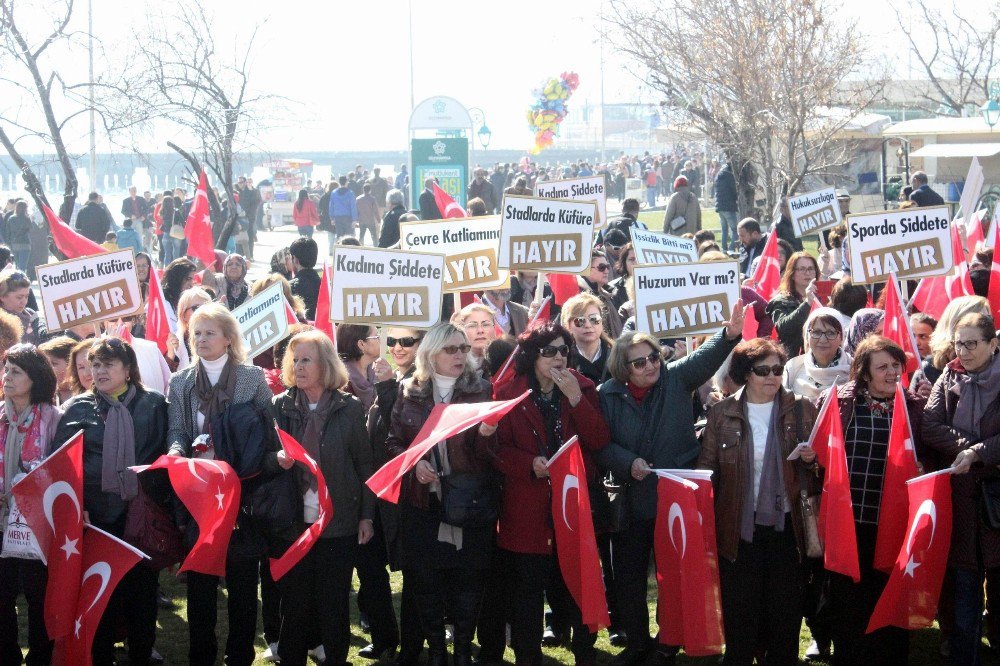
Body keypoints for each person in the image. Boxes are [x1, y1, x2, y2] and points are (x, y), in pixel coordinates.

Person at [596, 302, 746, 665]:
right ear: (622, 368)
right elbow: (600, 444)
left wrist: (729, 334)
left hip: (675, 496)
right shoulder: (606, 395)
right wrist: (625, 461)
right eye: (639, 362)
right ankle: (637, 642)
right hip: (633, 501)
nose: (650, 365)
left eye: (653, 358)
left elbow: (706, 358)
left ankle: (668, 641)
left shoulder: (676, 378)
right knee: (630, 577)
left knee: (673, 573)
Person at [485, 321, 611, 665]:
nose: (558, 357)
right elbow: (497, 450)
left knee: (577, 585)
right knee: (527, 591)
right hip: (526, 507)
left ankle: (585, 651)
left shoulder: (582, 388)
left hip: (573, 506)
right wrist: (530, 464)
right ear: (531, 356)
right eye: (549, 351)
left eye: (563, 351)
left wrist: (575, 399)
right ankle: (528, 655)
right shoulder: (510, 394)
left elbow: (598, 440)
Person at [165, 303, 274, 666]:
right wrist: (179, 453)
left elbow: (266, 431)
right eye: (196, 333)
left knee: (243, 581)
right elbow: (177, 429)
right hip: (199, 495)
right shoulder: (180, 381)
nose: (201, 339)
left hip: (241, 495)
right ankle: (202, 655)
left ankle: (239, 654)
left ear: (229, 339)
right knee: (200, 584)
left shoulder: (252, 377)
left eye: (210, 332)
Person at [698, 337, 818, 664]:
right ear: (745, 373)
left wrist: (812, 459)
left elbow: (824, 468)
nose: (772, 376)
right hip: (739, 529)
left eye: (777, 370)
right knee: (740, 615)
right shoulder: (722, 413)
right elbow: (707, 470)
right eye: (762, 370)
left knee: (784, 615)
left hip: (788, 530)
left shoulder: (803, 408)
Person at [54, 337, 169, 665]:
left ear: (128, 369)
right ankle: (101, 655)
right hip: (96, 518)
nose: (99, 371)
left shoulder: (155, 404)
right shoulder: (77, 407)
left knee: (142, 594)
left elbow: (165, 457)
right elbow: (63, 462)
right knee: (101, 594)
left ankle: (141, 653)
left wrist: (157, 502)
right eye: (95, 364)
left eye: (108, 364)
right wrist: (77, 504)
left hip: (141, 517)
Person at [385, 322, 494, 666]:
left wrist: (488, 435)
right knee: (425, 580)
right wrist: (415, 464)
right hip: (422, 503)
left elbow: (490, 457)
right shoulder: (408, 391)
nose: (460, 355)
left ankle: (461, 652)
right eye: (451, 349)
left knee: (468, 580)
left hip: (467, 503)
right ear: (431, 354)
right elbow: (393, 443)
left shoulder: (482, 390)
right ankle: (436, 653)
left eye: (463, 348)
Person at [816, 336, 925, 664]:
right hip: (850, 522)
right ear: (864, 373)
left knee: (889, 595)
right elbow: (821, 450)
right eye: (883, 367)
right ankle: (850, 654)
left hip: (893, 522)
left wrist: (923, 466)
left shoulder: (913, 406)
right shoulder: (838, 401)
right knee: (849, 600)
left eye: (896, 366)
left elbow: (929, 454)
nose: (892, 372)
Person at [270, 331, 377, 666]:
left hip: (338, 522)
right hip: (293, 524)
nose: (298, 367)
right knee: (295, 603)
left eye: (306, 360)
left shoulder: (350, 408)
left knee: (333, 604)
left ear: (326, 364)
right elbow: (263, 460)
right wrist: (276, 459)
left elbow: (365, 467)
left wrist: (366, 516)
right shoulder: (280, 406)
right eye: (295, 360)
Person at [923, 312, 1000, 665]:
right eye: (958, 343)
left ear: (993, 344)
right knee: (965, 588)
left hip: (996, 499)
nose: (964, 351)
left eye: (972, 344)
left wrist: (978, 453)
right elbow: (931, 425)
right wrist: (970, 447)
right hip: (961, 502)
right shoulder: (949, 375)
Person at [0, 344, 63, 666]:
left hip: (37, 527)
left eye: (15, 371)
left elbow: (63, 472)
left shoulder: (54, 419)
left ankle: (41, 658)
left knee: (39, 599)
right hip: (0, 523)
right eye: (5, 369)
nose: (6, 377)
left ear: (35, 378)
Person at [367, 327, 421, 663]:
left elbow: (398, 429)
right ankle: (385, 638)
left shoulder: (420, 382)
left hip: (405, 492)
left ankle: (413, 646)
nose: (396, 347)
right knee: (370, 566)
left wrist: (387, 386)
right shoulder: (390, 376)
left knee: (413, 572)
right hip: (375, 490)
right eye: (390, 340)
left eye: (405, 341)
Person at [912, 296, 990, 389]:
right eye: (981, 321)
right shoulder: (929, 369)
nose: (988, 326)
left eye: (989, 319)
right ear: (956, 324)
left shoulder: (994, 362)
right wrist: (928, 399)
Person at [782, 308, 852, 401]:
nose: (823, 340)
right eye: (816, 332)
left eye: (831, 333)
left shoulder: (853, 369)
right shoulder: (793, 368)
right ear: (808, 336)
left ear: (841, 337)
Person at [765, 251, 820, 357]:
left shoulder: (821, 297)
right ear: (792, 274)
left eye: (810, 269)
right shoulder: (781, 301)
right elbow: (784, 328)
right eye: (802, 269)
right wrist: (807, 303)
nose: (807, 273)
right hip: (794, 359)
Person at [562, 293, 613, 385]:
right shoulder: (563, 358)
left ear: (602, 321)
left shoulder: (618, 354)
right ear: (568, 326)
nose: (588, 325)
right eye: (580, 320)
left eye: (594, 319)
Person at [0, 270, 46, 345]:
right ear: (2, 296)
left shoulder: (32, 314)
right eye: (19, 297)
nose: (24, 302)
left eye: (27, 296)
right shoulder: (2, 324)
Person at [451, 303, 497, 373]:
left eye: (486, 324)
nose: (480, 331)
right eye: (472, 325)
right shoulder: (450, 367)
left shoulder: (505, 363)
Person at [39, 335, 77, 404]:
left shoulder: (87, 395)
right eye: (46, 363)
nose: (47, 368)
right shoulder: (42, 397)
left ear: (71, 365)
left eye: (53, 363)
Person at [715, 162, 738, 251]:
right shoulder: (730, 177)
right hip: (729, 206)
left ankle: (724, 248)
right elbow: (734, 191)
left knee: (724, 229)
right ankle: (732, 248)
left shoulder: (718, 177)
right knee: (735, 230)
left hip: (719, 207)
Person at [329, 176, 359, 240]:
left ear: (339, 182)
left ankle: (339, 249)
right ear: (346, 182)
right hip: (348, 218)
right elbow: (353, 206)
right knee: (349, 237)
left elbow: (331, 206)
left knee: (339, 237)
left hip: (338, 218)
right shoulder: (350, 193)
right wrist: (354, 219)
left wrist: (332, 218)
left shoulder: (334, 193)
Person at [5, 201, 32, 272]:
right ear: (25, 208)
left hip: (14, 244)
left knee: (17, 264)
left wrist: (9, 244)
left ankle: (18, 280)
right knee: (23, 266)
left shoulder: (11, 218)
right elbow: (31, 230)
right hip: (25, 244)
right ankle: (21, 280)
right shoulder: (27, 219)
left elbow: (8, 233)